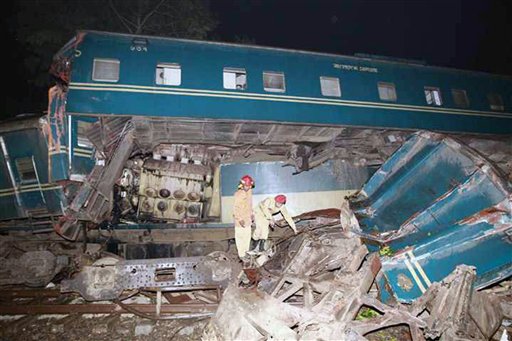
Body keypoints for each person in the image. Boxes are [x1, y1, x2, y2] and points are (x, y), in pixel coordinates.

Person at [232, 175, 254, 259]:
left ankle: (246, 253)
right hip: (240, 221)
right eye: (246, 186)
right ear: (242, 185)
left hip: (247, 220)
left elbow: (250, 204)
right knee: (240, 238)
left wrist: (252, 214)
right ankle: (241, 255)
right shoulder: (238, 194)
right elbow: (235, 208)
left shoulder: (249, 192)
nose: (247, 187)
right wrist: (240, 219)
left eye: (249, 186)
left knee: (247, 237)